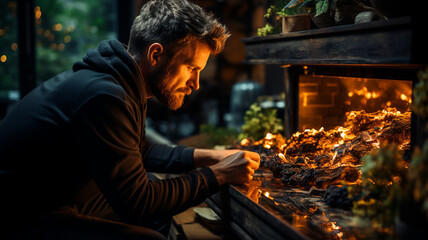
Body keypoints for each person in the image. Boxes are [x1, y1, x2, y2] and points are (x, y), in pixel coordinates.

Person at [0, 0, 260, 239]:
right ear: (155, 55)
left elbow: (139, 150)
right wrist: (219, 174)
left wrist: (209, 156)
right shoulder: (104, 96)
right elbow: (139, 203)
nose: (196, 84)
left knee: (160, 211)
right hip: (24, 213)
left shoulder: (122, 83)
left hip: (57, 196)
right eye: (192, 68)